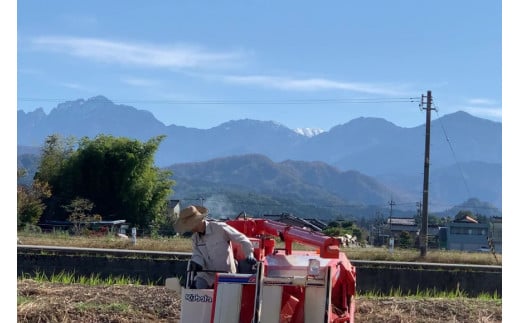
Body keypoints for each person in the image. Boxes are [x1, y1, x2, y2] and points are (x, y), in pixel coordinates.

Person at [173, 205, 257, 289]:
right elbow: (197, 254)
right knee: (196, 293)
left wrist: (249, 253)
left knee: (225, 298)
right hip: (206, 275)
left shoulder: (219, 227)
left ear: (196, 222)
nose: (188, 229)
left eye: (189, 226)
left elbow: (242, 238)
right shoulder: (195, 238)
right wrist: (196, 263)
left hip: (225, 274)